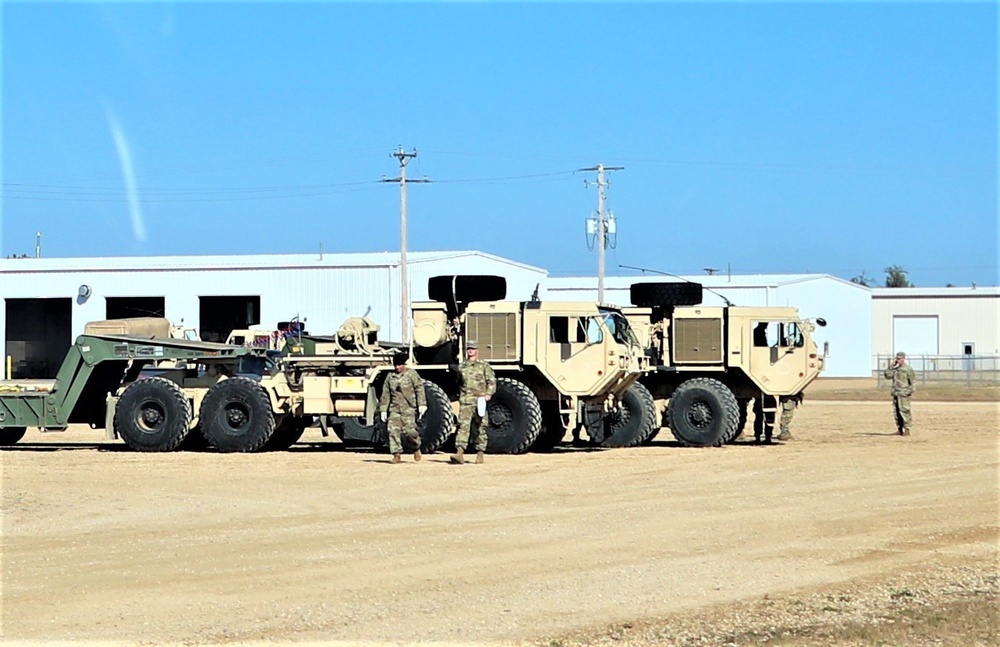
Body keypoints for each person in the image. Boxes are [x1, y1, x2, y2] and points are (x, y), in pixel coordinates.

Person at [451, 340, 497, 465]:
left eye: (472, 348)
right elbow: (459, 382)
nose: (470, 351)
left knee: (480, 426)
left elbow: (491, 381)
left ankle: (480, 452)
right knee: (463, 425)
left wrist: (488, 393)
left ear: (477, 350)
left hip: (480, 399)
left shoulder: (483, 366)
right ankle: (459, 452)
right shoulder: (462, 366)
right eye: (468, 349)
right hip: (466, 400)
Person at [378, 351, 427, 463]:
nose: (397, 367)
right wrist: (383, 410)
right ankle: (396, 454)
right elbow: (386, 394)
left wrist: (422, 404)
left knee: (410, 432)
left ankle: (416, 447)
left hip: (409, 408)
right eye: (395, 365)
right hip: (395, 408)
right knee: (393, 430)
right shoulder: (390, 377)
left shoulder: (412, 374)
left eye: (399, 365)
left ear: (404, 364)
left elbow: (419, 389)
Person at [884, 351, 916, 436]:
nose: (897, 360)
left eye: (899, 359)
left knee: (904, 411)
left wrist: (908, 392)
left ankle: (907, 429)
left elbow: (912, 383)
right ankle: (899, 429)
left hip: (903, 393)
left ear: (903, 359)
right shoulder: (896, 370)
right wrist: (891, 367)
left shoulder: (908, 369)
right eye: (897, 358)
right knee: (897, 412)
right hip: (896, 393)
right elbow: (887, 376)